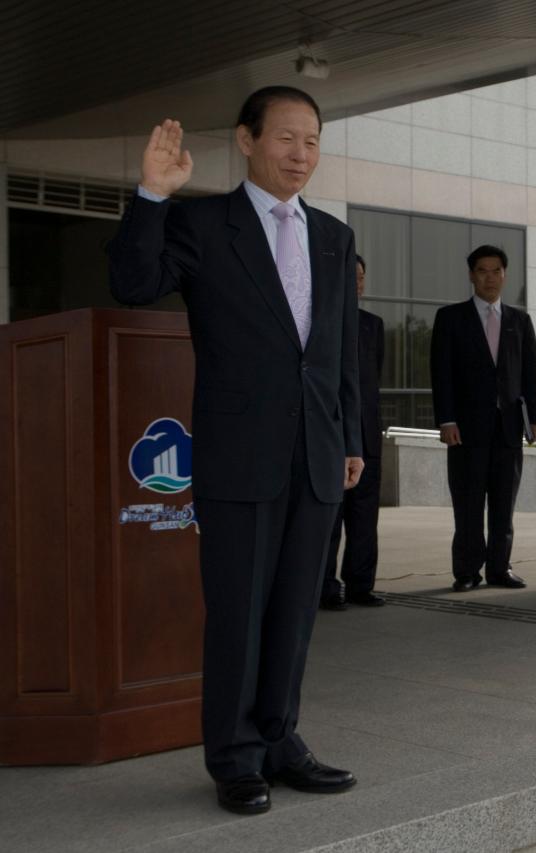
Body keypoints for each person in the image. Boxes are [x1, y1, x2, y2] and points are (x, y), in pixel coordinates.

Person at [108, 87, 362, 815]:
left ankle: (282, 739)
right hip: (237, 453)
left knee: (294, 611)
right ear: (247, 140)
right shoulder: (201, 223)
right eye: (286, 138)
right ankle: (235, 756)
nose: (300, 154)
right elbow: (132, 282)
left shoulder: (333, 237)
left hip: (314, 451)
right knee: (239, 611)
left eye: (312, 141)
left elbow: (338, 351)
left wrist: (349, 437)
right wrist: (153, 195)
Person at [431, 245, 536, 592]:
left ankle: (499, 568)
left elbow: (531, 374)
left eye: (496, 271)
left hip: (508, 428)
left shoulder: (519, 321)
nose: (490, 278)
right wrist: (446, 420)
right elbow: (441, 373)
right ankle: (467, 571)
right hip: (465, 430)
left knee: (503, 504)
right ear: (471, 275)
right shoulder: (450, 318)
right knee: (467, 504)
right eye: (482, 271)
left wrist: (534, 418)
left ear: (505, 275)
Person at [321, 255, 386, 610]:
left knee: (365, 518)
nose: (357, 283)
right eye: (351, 277)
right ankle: (325, 588)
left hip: (366, 437)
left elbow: (373, 379)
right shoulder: (320, 322)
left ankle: (361, 585)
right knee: (329, 519)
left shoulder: (373, 325)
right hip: (330, 436)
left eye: (361, 277)